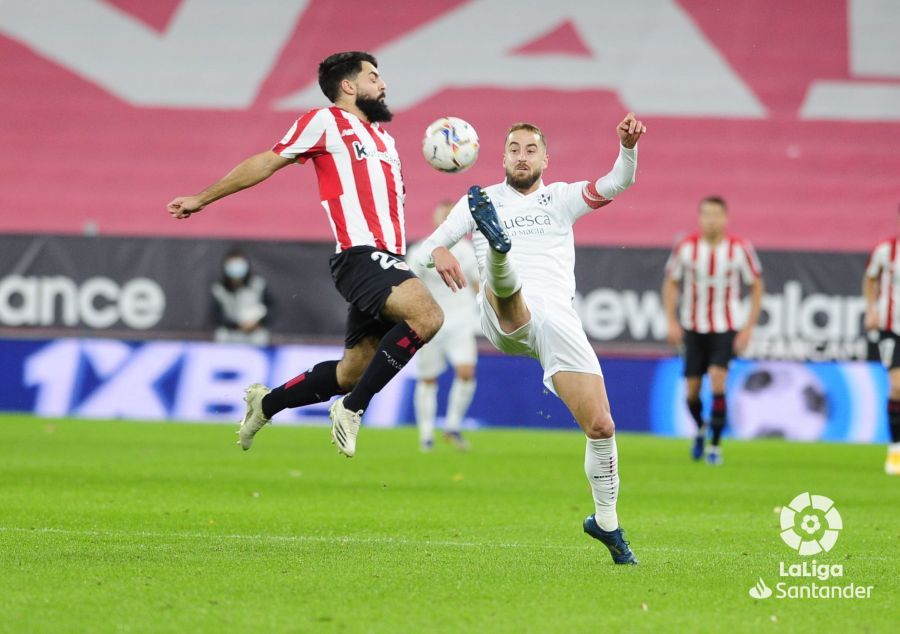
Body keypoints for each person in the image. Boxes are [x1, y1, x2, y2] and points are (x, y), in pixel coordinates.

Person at [167, 51, 443, 458]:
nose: (382, 85)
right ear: (348, 86)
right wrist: (202, 198)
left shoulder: (384, 140)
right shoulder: (325, 122)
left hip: (389, 259)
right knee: (428, 315)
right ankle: (352, 410)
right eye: (373, 77)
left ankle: (266, 404)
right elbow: (265, 161)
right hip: (359, 255)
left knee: (351, 372)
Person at [418, 113, 646, 565]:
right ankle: (500, 255)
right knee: (510, 290)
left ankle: (606, 522)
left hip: (558, 321)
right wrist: (441, 249)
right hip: (502, 315)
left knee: (601, 426)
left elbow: (617, 182)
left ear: (545, 159)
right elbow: (429, 248)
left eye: (530, 150)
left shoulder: (561, 198)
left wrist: (627, 147)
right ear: (502, 157)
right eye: (515, 149)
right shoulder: (477, 200)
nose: (522, 156)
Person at [662, 196, 764, 466]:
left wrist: (747, 328)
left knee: (718, 380)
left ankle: (715, 447)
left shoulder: (739, 248)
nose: (711, 220)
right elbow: (671, 283)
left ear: (725, 218)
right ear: (699, 218)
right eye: (706, 215)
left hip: (725, 327)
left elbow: (756, 285)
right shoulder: (686, 247)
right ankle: (701, 428)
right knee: (692, 392)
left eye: (716, 215)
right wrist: (671, 321)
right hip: (693, 327)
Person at [407, 201, 480, 452]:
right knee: (428, 379)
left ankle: (452, 427)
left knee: (466, 372)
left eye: (451, 215)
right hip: (431, 323)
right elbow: (410, 288)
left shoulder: (468, 252)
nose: (447, 218)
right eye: (443, 214)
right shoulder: (419, 252)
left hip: (461, 321)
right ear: (435, 219)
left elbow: (477, 284)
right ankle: (426, 436)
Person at [862, 206, 900, 475]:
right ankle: (895, 450)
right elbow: (870, 279)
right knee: (897, 387)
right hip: (891, 328)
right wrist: (872, 308)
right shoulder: (886, 250)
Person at [211, 247, 271, 346]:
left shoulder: (258, 284)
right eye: (232, 265)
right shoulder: (219, 288)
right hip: (230, 334)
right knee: (221, 334)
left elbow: (271, 309)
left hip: (254, 334)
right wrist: (237, 325)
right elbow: (216, 316)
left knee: (260, 337)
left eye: (239, 264)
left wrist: (256, 323)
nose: (236, 269)